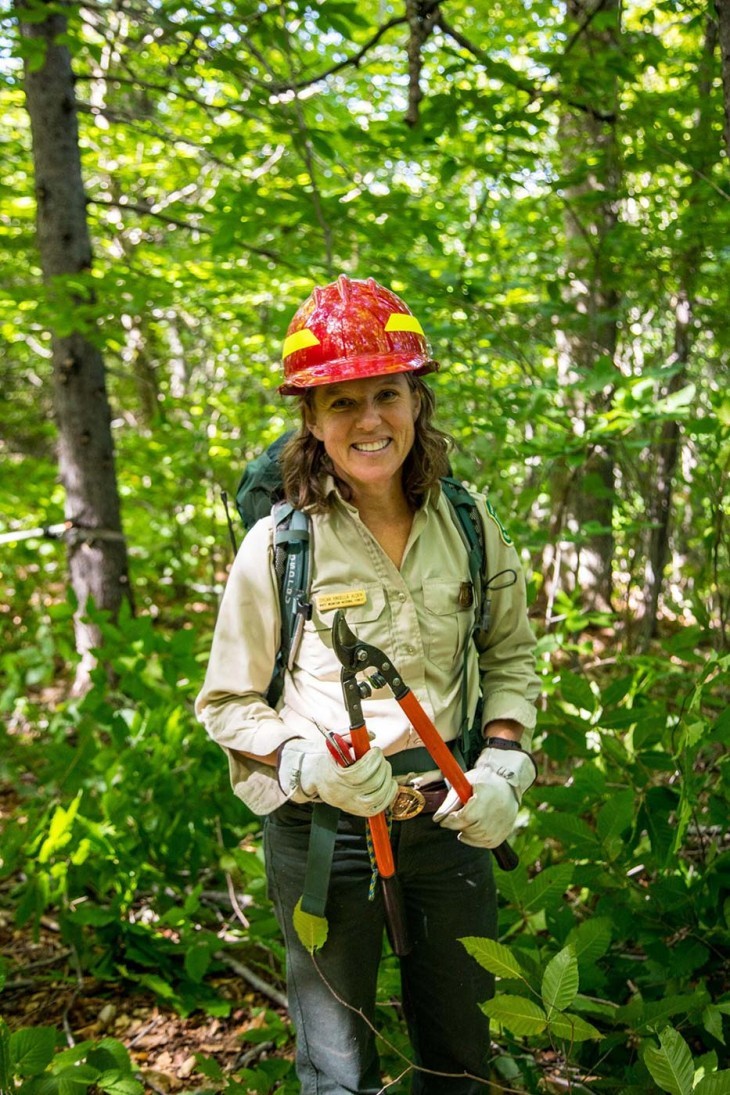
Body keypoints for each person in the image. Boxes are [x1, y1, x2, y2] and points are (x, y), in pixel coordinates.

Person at [196, 275, 541, 1095]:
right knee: (338, 1068)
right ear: (311, 421)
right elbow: (225, 701)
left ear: (416, 401)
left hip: (451, 822)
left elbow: (511, 659)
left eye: (386, 393)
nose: (369, 420)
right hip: (326, 837)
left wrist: (505, 766)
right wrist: (300, 761)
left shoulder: (469, 525)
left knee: (461, 1055)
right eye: (341, 402)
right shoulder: (280, 547)